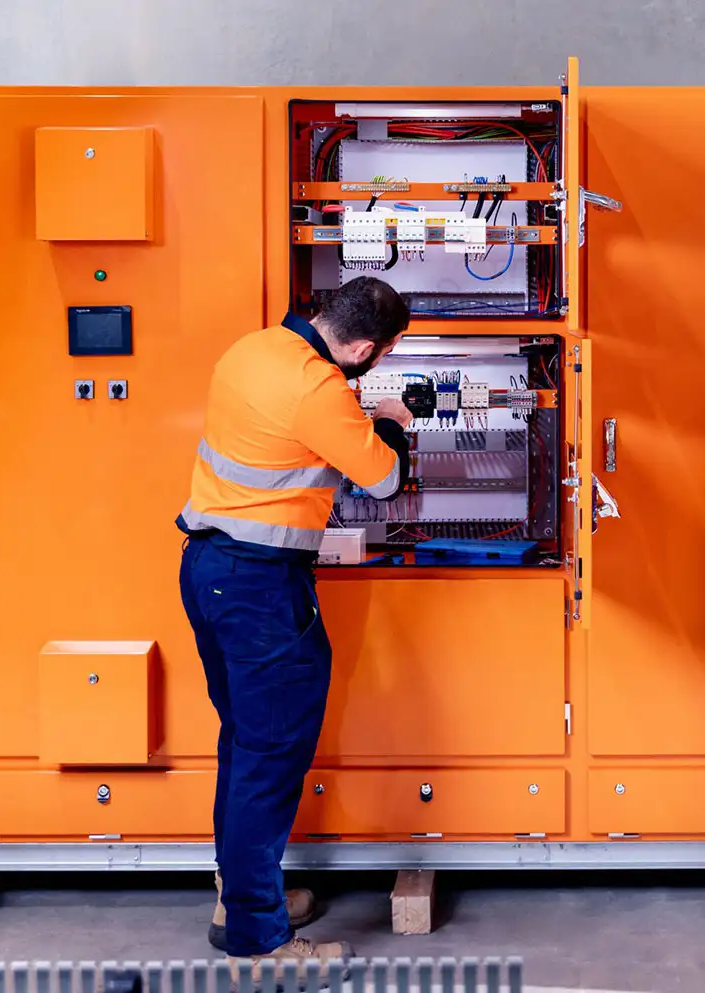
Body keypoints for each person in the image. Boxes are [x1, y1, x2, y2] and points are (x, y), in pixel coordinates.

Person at [176, 276, 415, 968]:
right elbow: (384, 479)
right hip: (261, 589)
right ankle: (259, 940)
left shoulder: (253, 350)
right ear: (367, 346)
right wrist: (392, 422)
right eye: (385, 352)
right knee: (270, 753)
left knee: (246, 742)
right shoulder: (322, 392)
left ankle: (242, 892)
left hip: (207, 569)